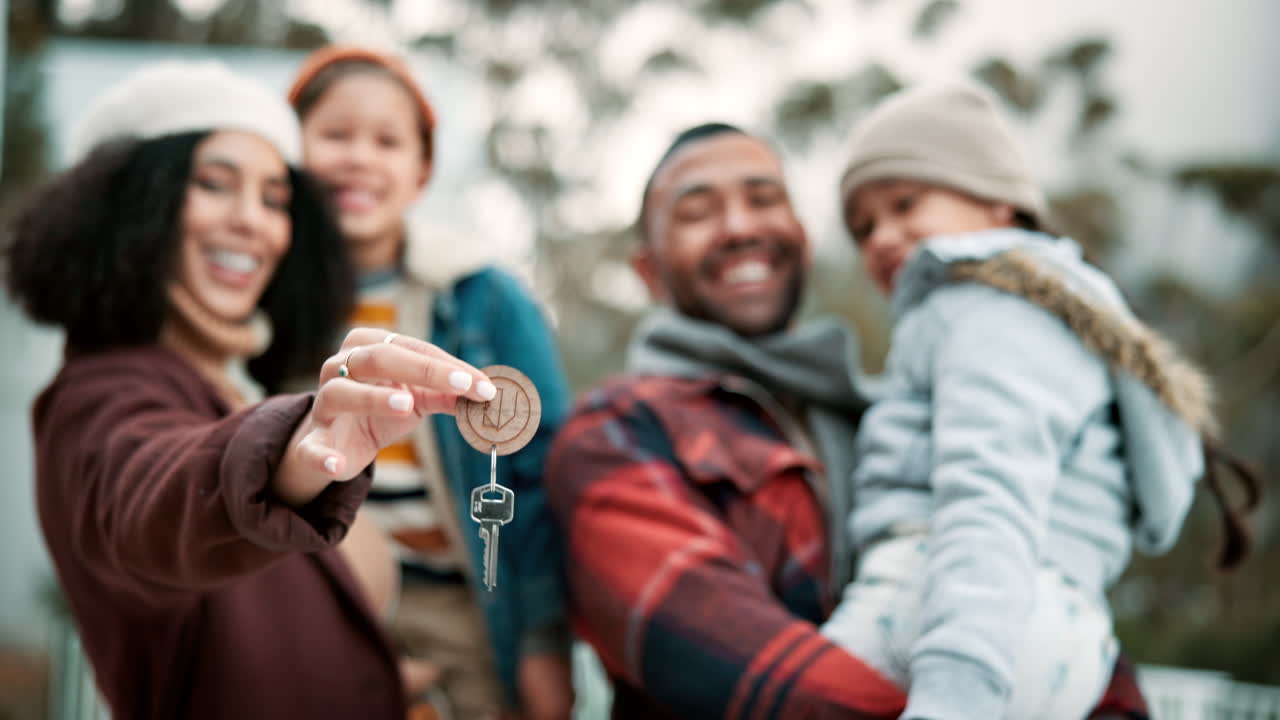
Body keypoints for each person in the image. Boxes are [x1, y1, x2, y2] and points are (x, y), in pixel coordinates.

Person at [545, 122, 1160, 719]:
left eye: (764, 200)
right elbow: (744, 669)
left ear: (802, 238)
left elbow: (1028, 580)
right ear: (648, 269)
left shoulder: (889, 417)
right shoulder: (615, 433)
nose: (739, 227)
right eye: (698, 212)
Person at [3, 60, 501, 719]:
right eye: (214, 184)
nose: (252, 221)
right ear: (130, 208)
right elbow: (149, 493)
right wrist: (289, 455)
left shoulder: (235, 382)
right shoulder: (100, 394)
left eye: (274, 199)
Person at [819, 79, 1260, 720]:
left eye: (905, 202)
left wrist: (958, 692)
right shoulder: (1050, 320)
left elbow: (988, 494)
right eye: (861, 228)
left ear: (1000, 203)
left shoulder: (985, 309)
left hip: (952, 607)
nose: (882, 237)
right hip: (1063, 636)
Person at [286, 46, 574, 719]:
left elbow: (536, 474)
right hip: (318, 595)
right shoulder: (262, 301)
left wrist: (541, 643)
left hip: (463, 597)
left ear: (421, 172)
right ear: (293, 154)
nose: (359, 157)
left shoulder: (482, 296)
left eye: (387, 141)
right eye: (335, 135)